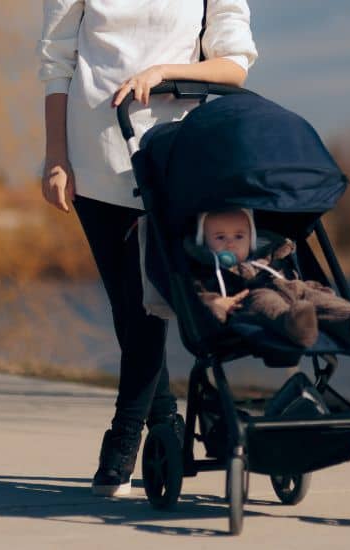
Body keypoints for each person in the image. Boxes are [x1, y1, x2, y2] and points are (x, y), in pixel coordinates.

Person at [38, 0, 258, 497]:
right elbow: (56, 60)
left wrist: (164, 71)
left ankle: (121, 444)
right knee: (127, 306)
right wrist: (56, 157)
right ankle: (165, 422)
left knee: (146, 309)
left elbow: (234, 65)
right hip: (92, 161)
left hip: (169, 161)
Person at [191, 209, 350, 348]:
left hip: (294, 289)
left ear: (251, 239)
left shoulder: (270, 255)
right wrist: (217, 304)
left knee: (319, 299)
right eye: (220, 237)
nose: (230, 243)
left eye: (239, 236)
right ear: (203, 242)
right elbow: (200, 298)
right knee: (266, 302)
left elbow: (292, 277)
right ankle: (294, 325)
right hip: (249, 297)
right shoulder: (209, 271)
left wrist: (313, 287)